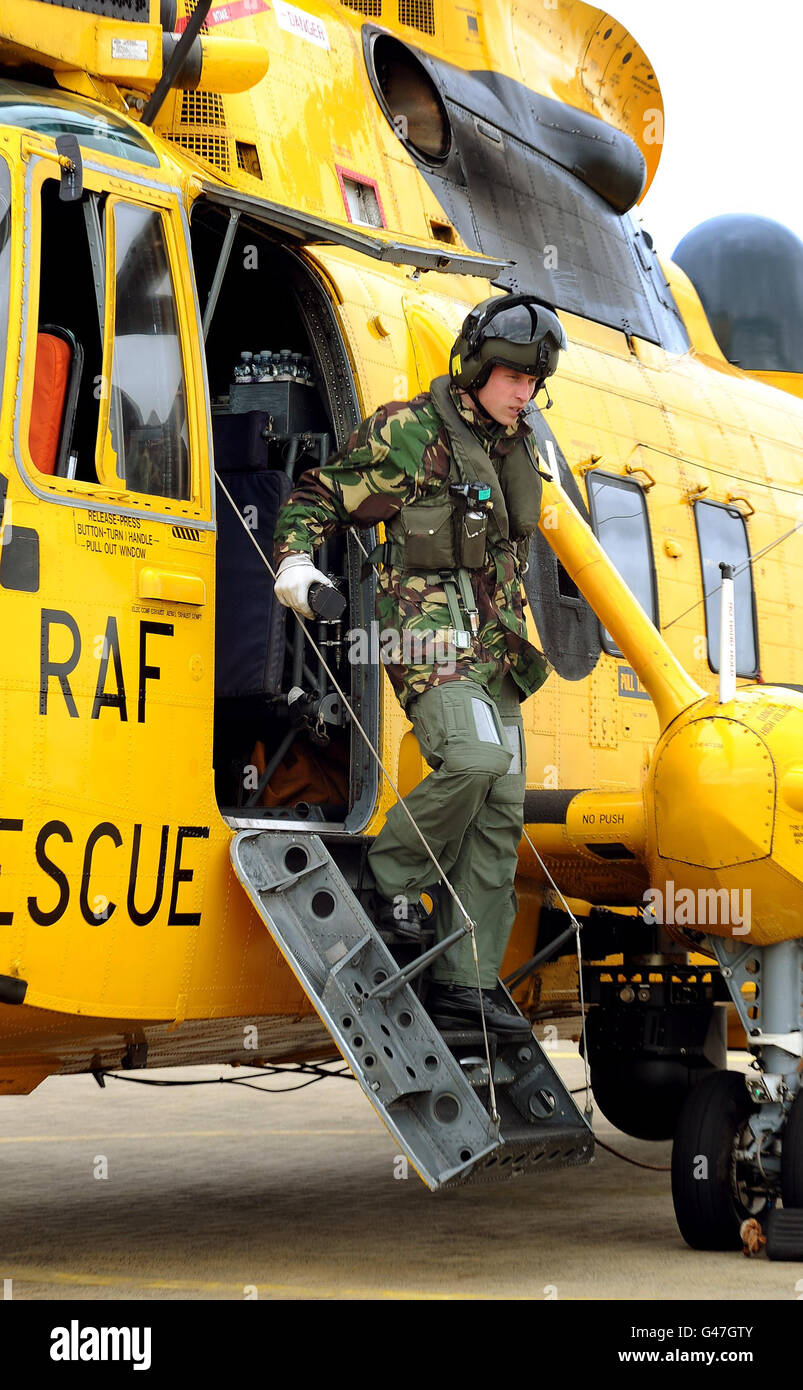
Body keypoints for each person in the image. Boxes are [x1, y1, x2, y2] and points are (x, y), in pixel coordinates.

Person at [272, 293, 566, 1036]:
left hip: (496, 645)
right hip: (427, 635)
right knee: (470, 759)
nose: (522, 392)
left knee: (499, 814)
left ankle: (464, 988)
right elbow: (320, 495)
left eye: (533, 381)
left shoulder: (517, 445)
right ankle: (392, 878)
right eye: (510, 376)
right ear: (474, 368)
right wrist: (297, 563)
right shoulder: (411, 433)